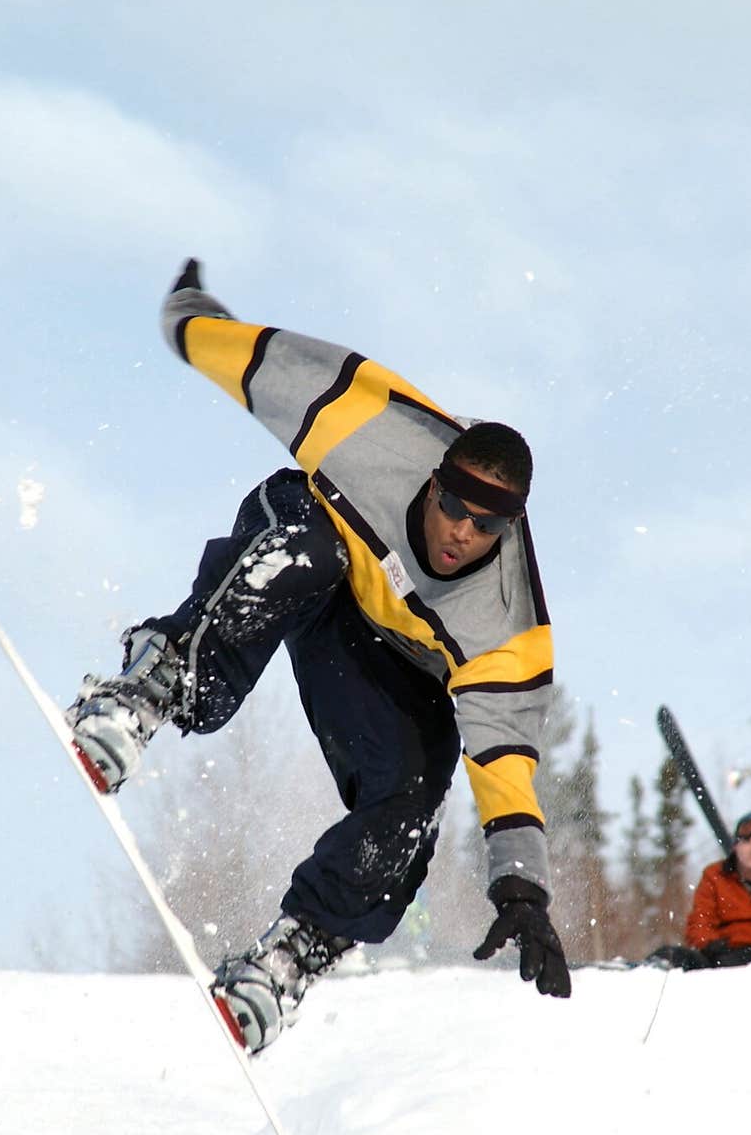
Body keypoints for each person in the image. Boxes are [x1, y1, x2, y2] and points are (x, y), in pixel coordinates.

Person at [65, 257, 571, 1055]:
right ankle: (158, 687)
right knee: (306, 542)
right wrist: (189, 316)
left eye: (484, 526)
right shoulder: (371, 420)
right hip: (308, 549)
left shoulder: (507, 626)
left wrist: (522, 884)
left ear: (505, 531)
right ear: (433, 480)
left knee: (414, 795)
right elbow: (255, 360)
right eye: (451, 506)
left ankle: (293, 953)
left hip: (381, 658)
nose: (458, 533)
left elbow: (505, 763)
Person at [649, 811, 751, 970]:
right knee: (671, 954)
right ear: (736, 845)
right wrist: (709, 944)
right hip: (724, 955)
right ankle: (642, 971)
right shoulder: (715, 875)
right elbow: (699, 920)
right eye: (747, 841)